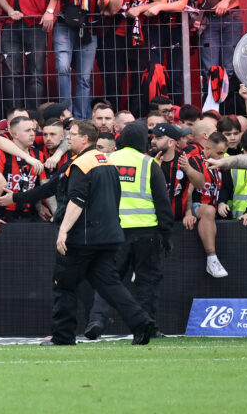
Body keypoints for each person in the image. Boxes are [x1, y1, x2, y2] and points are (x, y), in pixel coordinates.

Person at [48, 120, 156, 346]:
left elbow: (77, 200)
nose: (68, 138)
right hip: (109, 235)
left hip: (84, 236)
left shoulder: (81, 164)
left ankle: (63, 336)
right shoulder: (106, 160)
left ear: (85, 139)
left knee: (64, 283)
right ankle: (141, 322)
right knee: (110, 285)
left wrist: (63, 231)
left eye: (73, 134)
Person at [85, 122, 173, 339]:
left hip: (113, 232)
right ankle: (146, 326)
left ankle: (97, 319)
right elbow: (162, 202)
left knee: (108, 279)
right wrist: (166, 233)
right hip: (146, 231)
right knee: (147, 282)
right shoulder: (148, 163)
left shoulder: (106, 160)